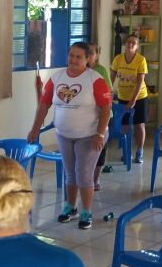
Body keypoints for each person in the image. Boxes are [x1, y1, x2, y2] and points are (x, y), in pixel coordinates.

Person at [28, 42, 111, 229]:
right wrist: (34, 129)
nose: (73, 60)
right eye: (71, 55)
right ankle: (70, 207)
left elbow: (106, 108)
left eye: (79, 57)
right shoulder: (57, 77)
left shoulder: (95, 79)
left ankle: (86, 211)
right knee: (70, 174)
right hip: (64, 134)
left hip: (90, 135)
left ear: (88, 59)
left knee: (83, 174)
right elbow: (44, 105)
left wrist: (99, 134)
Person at [110, 34, 149, 163]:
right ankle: (126, 151)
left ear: (137, 46)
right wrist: (108, 93)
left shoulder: (141, 60)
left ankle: (140, 151)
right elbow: (112, 77)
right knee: (125, 125)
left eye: (133, 42)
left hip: (139, 97)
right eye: (128, 42)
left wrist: (133, 100)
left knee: (139, 124)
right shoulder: (118, 59)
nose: (130, 44)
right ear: (125, 44)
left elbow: (140, 82)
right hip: (123, 96)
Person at [88, 43, 113, 190]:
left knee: (100, 147)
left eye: (92, 53)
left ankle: (95, 179)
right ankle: (86, 178)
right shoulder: (81, 71)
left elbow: (107, 94)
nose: (89, 55)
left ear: (96, 55)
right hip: (86, 116)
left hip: (101, 114)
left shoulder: (101, 71)